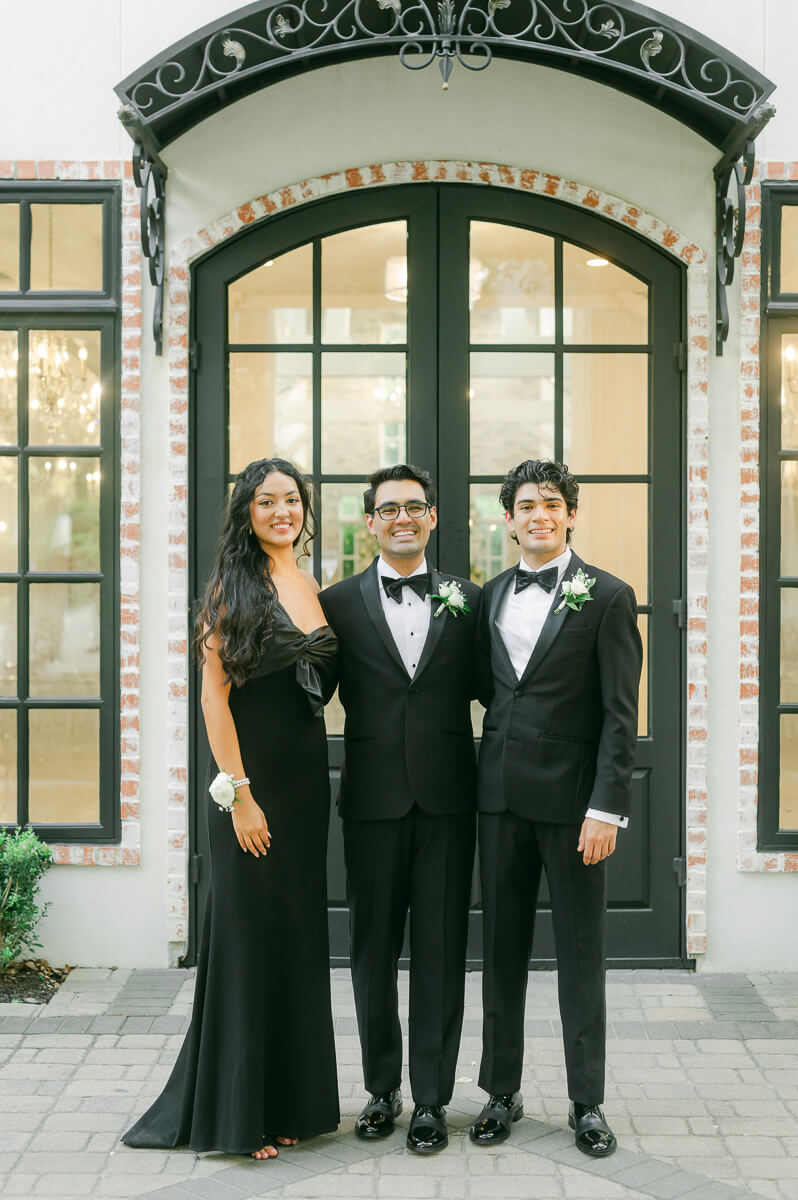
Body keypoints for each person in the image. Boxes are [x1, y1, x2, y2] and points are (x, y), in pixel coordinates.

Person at [122, 458, 339, 1159]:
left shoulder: (310, 584)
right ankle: (237, 1115)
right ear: (246, 512)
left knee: (296, 942)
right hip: (251, 788)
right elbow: (214, 699)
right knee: (246, 943)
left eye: (292, 499)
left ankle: (290, 1106)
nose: (283, 511)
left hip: (307, 789)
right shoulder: (228, 589)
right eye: (267, 501)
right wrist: (240, 794)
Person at [470, 459, 642, 1158]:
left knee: (580, 956)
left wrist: (608, 807)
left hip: (576, 809)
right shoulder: (487, 595)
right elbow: (490, 689)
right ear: (507, 520)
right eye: (524, 505)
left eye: (550, 503)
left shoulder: (607, 596)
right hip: (499, 801)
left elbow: (619, 715)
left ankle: (587, 1101)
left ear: (570, 513)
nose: (537, 514)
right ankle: (499, 1092)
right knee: (501, 953)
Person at [320, 464, 480, 1154]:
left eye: (415, 507)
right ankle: (381, 1090)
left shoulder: (470, 602)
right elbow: (308, 697)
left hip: (449, 803)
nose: (403, 518)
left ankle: (432, 1101)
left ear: (433, 517)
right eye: (389, 510)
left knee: (442, 954)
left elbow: (501, 692)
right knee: (372, 952)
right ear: (371, 523)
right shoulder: (337, 602)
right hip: (371, 803)